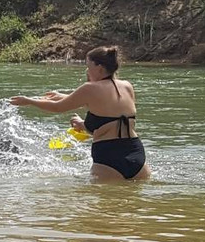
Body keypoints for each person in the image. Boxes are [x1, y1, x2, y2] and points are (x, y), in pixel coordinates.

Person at [9, 45, 151, 181]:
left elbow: (57, 108)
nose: (87, 71)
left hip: (108, 156)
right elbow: (108, 113)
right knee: (134, 202)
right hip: (136, 153)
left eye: (89, 67)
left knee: (102, 204)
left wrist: (29, 101)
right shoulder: (127, 86)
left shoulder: (89, 88)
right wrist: (81, 122)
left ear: (99, 68)